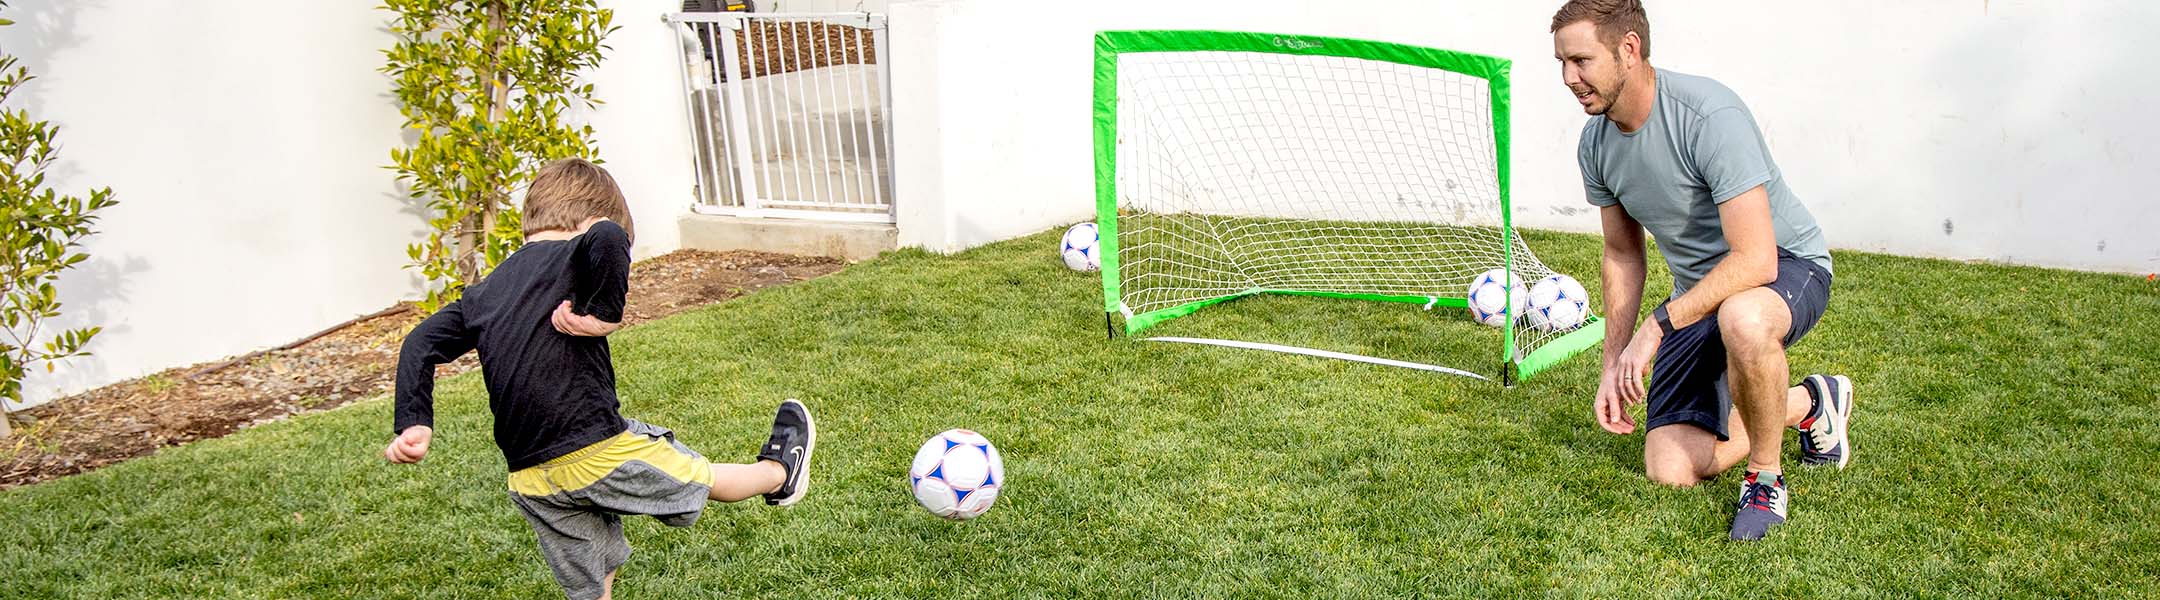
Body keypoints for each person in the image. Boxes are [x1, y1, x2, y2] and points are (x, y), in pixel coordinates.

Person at [382, 158, 816, 598]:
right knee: (699, 477)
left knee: (593, 569)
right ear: (589, 223)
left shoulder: (482, 293)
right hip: (596, 452)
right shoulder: (582, 248)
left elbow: (419, 343)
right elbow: (607, 237)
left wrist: (414, 422)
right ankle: (779, 475)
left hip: (531, 480)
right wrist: (602, 317)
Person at [1550, 0, 1854, 540]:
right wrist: (1613, 361)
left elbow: (1755, 259)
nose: (1570, 78)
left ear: (1629, 48)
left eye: (1581, 60)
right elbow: (1623, 254)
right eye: (1562, 64)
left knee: (1743, 317)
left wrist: (1658, 325)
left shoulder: (1708, 115)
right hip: (1699, 294)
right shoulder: (1595, 145)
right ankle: (1809, 403)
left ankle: (1765, 478)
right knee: (1670, 467)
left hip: (1785, 263)